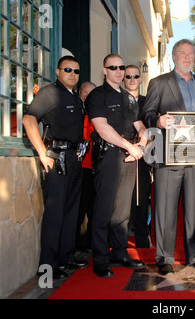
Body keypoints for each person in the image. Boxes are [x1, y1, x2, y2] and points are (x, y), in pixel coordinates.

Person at [141, 39, 195, 275]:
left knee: (193, 207)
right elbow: (147, 113)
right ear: (174, 56)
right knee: (165, 207)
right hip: (168, 155)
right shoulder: (159, 83)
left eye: (191, 53)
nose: (188, 57)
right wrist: (157, 121)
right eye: (183, 53)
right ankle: (164, 257)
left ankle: (194, 255)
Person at [22, 56, 88, 279]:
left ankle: (65, 258)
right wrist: (42, 152)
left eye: (76, 71)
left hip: (74, 159)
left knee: (71, 213)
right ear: (58, 72)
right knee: (55, 214)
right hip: (55, 158)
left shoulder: (76, 98)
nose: (72, 74)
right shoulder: (50, 93)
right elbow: (29, 119)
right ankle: (48, 266)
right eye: (68, 69)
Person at [85, 54, 148, 278]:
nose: (119, 71)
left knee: (122, 211)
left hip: (129, 158)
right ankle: (101, 258)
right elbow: (101, 128)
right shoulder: (97, 96)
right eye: (113, 67)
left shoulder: (129, 98)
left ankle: (119, 252)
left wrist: (141, 142)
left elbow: (139, 125)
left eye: (121, 67)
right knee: (103, 211)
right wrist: (128, 146)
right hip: (109, 157)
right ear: (104, 70)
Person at [124, 65, 152, 248]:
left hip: (142, 158)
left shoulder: (147, 102)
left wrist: (142, 148)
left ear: (140, 79)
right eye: (128, 76)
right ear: (123, 79)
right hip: (121, 155)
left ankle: (142, 241)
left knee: (141, 200)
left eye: (136, 76)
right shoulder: (117, 100)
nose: (132, 79)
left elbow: (152, 129)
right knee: (121, 203)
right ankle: (119, 243)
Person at [76, 81, 96, 252]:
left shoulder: (97, 114)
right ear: (80, 92)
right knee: (78, 209)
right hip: (79, 167)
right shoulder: (75, 113)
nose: (88, 96)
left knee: (93, 209)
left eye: (92, 93)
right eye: (85, 92)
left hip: (94, 168)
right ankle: (77, 245)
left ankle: (89, 244)